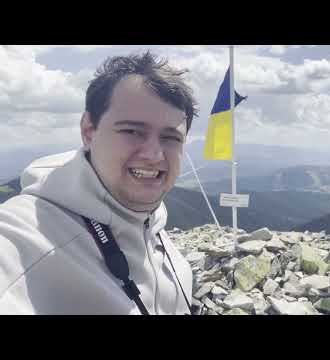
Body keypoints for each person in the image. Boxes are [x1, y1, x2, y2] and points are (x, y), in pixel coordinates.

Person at [0, 51, 198, 315]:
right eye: (132, 131)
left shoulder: (152, 222)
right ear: (88, 130)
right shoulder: (24, 236)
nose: (153, 155)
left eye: (170, 137)